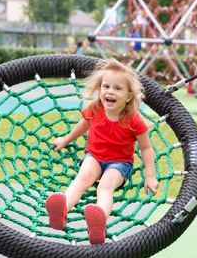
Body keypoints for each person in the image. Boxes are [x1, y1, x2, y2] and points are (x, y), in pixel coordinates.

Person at [46, 58, 159, 245]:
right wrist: (65, 140)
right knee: (83, 177)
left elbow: (146, 147)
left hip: (120, 163)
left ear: (129, 96)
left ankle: (98, 223)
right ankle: (61, 210)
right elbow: (83, 125)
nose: (110, 91)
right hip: (94, 156)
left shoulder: (133, 119)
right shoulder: (95, 108)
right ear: (100, 90)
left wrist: (150, 175)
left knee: (105, 186)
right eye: (106, 86)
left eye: (118, 88)